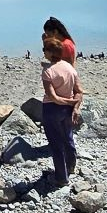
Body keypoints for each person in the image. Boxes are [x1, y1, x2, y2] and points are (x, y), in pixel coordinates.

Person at [40, 35, 83, 187]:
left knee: (56, 144)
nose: (43, 52)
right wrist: (74, 105)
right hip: (68, 109)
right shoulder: (69, 67)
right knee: (68, 138)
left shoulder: (48, 72)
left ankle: (61, 177)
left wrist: (69, 102)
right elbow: (79, 91)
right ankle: (70, 167)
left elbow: (53, 97)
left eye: (45, 49)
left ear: (51, 52)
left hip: (52, 109)